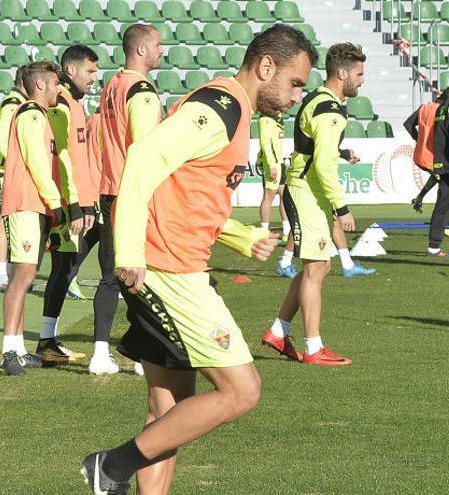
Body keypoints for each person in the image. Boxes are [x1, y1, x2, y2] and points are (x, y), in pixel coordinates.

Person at [81, 24, 314, 495]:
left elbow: (183, 191)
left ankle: (118, 471)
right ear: (265, 67)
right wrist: (128, 251)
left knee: (167, 413)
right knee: (242, 390)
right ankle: (111, 465)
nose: (295, 97)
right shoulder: (220, 106)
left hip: (175, 261)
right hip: (167, 270)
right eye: (294, 83)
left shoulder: (236, 112)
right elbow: (143, 160)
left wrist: (240, 237)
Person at [265, 43, 366, 367]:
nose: (362, 80)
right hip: (306, 192)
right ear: (343, 72)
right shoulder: (329, 110)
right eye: (360, 74)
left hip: (307, 191)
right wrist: (342, 206)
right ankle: (312, 347)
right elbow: (322, 165)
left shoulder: (321, 101)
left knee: (318, 266)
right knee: (315, 270)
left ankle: (279, 332)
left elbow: (319, 150)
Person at [92, 23, 164, 374]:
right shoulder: (142, 91)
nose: (161, 51)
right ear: (140, 50)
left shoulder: (112, 85)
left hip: (110, 189)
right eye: (157, 45)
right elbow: (146, 147)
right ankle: (142, 351)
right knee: (140, 273)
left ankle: (99, 352)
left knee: (110, 273)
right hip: (133, 192)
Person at [0, 61, 66, 375]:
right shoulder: (30, 114)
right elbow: (37, 162)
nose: (58, 89)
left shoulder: (38, 115)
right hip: (25, 203)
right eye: (54, 83)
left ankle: (18, 349)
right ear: (40, 84)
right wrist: (56, 201)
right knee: (22, 277)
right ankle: (9, 349)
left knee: (26, 276)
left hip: (35, 205)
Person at [36, 44, 99, 366]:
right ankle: (42, 342)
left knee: (65, 269)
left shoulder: (71, 102)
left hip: (76, 202)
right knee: (62, 269)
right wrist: (79, 206)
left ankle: (47, 341)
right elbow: (65, 157)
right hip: (67, 204)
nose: (94, 77)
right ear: (70, 70)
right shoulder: (61, 102)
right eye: (90, 71)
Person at [0, 67, 28, 291]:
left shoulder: (18, 102)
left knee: (15, 224)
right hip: (9, 172)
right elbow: (2, 139)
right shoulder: (12, 104)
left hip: (14, 171)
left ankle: (14, 276)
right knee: (4, 222)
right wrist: (17, 164)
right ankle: (1, 277)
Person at [404, 89, 449, 256]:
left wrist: (418, 139)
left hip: (422, 154)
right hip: (438, 154)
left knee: (443, 193)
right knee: (443, 195)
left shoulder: (425, 107)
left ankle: (435, 242)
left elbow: (408, 124)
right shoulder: (443, 110)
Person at [258, 113, 298, 278]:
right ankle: (263, 232)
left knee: (284, 195)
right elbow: (266, 143)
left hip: (280, 162)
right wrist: (271, 164)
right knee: (269, 196)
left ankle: (286, 229)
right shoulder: (265, 120)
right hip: (272, 163)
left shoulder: (278, 119)